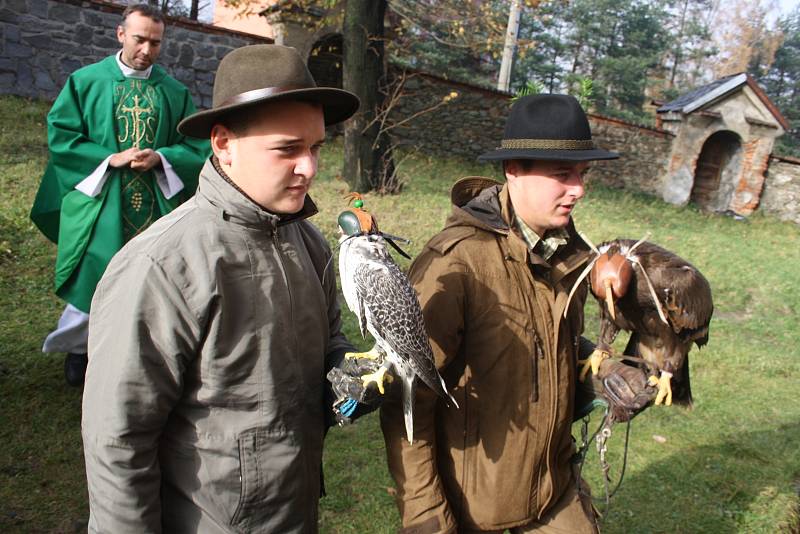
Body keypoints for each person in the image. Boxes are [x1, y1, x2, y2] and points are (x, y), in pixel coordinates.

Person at [81, 44, 378, 533]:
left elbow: (329, 344)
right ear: (223, 143)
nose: (309, 168)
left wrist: (347, 374)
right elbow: (118, 440)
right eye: (287, 149)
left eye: (316, 147)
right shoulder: (162, 265)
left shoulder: (308, 242)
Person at [380, 94, 655, 533]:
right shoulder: (454, 265)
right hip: (476, 509)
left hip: (555, 492)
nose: (579, 189)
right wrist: (426, 518)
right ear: (514, 171)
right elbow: (407, 403)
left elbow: (549, 345)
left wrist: (602, 371)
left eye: (583, 174)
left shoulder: (570, 256)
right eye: (563, 175)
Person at [29, 4, 209, 386]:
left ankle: (145, 352)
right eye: (140, 38)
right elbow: (63, 136)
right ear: (120, 34)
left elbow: (194, 146)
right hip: (102, 199)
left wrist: (161, 157)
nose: (147, 49)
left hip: (155, 200)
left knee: (154, 275)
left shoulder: (173, 91)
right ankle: (80, 351)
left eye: (156, 42)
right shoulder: (86, 81)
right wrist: (110, 157)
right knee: (94, 271)